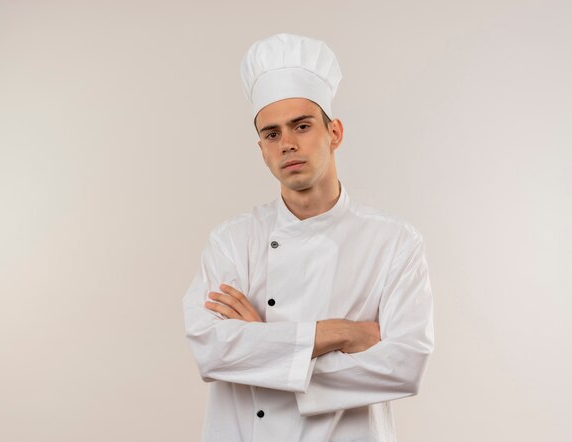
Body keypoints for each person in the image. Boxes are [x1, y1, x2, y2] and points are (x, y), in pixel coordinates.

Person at [183, 33, 434, 442]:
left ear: (334, 132)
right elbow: (211, 351)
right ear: (261, 148)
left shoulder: (394, 243)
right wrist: (341, 333)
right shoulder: (232, 240)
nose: (288, 145)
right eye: (272, 134)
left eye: (302, 126)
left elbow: (404, 366)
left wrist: (260, 345)